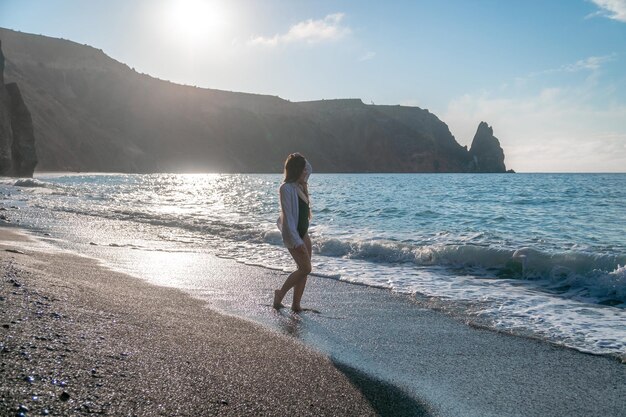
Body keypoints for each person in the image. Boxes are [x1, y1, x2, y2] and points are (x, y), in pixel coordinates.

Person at [273, 153, 313, 312]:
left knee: (304, 271)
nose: (306, 172)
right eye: (302, 169)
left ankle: (296, 305)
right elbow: (288, 218)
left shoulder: (300, 184)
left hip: (304, 234)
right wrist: (297, 242)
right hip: (294, 236)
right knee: (305, 269)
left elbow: (309, 168)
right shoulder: (286, 188)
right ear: (297, 170)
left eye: (305, 169)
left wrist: (298, 157)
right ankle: (280, 294)